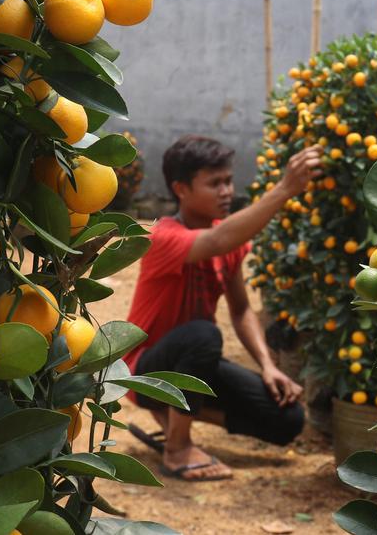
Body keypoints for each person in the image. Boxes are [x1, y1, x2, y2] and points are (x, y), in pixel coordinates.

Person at [124, 135, 324, 481]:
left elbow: (242, 310)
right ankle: (177, 449)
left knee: (288, 419)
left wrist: (267, 367)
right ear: (181, 189)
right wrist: (285, 189)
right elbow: (218, 241)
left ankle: (174, 415)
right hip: (146, 370)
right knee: (204, 334)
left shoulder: (229, 239)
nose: (227, 191)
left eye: (229, 181)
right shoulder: (163, 237)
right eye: (214, 183)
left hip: (195, 365)